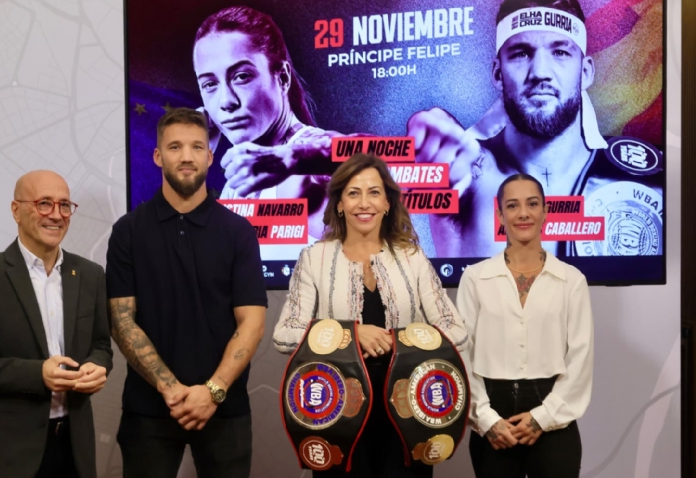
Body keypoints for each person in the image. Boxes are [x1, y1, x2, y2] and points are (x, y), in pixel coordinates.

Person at [407, 0, 664, 258]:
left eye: (560, 53)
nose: (540, 72)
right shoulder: (471, 178)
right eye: (521, 53)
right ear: (497, 73)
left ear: (585, 72)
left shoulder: (643, 180)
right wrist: (431, 143)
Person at [273, 153, 469, 477]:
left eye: (374, 192)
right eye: (353, 193)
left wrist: (399, 340)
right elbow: (284, 334)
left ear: (388, 203)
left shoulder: (413, 257)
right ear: (339, 204)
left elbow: (455, 330)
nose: (364, 203)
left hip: (409, 408)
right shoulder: (314, 258)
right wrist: (349, 335)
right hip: (338, 411)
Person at [107, 107, 267, 478]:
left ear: (210, 156)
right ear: (158, 156)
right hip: (149, 410)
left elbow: (252, 323)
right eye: (175, 147)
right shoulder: (128, 231)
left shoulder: (238, 231)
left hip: (224, 408)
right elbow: (121, 320)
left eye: (196, 147)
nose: (186, 157)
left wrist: (212, 392)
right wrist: (170, 389)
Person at [0, 171, 113, 478]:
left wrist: (97, 365)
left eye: (65, 205)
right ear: (16, 210)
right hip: (8, 454)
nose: (56, 215)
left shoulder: (90, 275)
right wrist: (37, 374)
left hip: (74, 449)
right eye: (44, 204)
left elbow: (101, 346)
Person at [456, 173, 594, 478]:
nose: (523, 213)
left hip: (554, 418)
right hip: (493, 417)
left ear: (545, 211)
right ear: (499, 213)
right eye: (513, 205)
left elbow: (580, 359)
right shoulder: (475, 278)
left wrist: (543, 417)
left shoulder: (571, 280)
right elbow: (463, 354)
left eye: (532, 204)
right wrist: (485, 419)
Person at [193, 6, 347, 240]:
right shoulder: (236, 185)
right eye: (210, 84)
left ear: (282, 77)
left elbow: (384, 158)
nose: (226, 101)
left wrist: (295, 158)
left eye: (241, 76)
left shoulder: (308, 163)